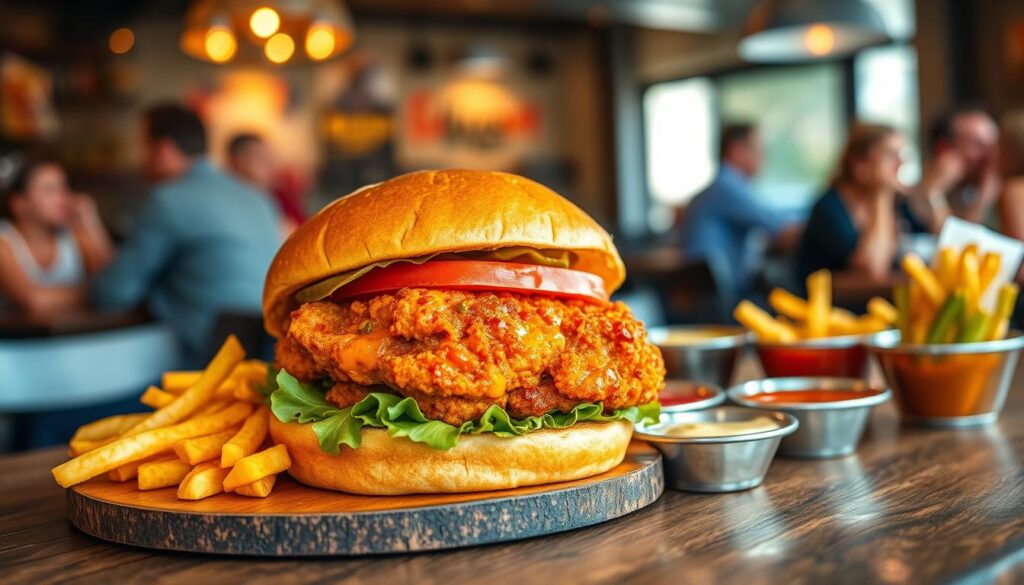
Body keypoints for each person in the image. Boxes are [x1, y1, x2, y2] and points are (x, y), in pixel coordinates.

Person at [90, 104, 283, 365]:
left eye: (144, 148)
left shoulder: (168, 201)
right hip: (265, 360)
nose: (141, 159)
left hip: (199, 366)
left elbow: (112, 294)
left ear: (163, 149)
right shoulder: (258, 197)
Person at [679, 123, 800, 299]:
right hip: (722, 301)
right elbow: (780, 226)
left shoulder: (722, 186)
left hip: (716, 297)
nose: (763, 157)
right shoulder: (727, 187)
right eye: (758, 150)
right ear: (736, 150)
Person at [798, 123, 928, 284]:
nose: (900, 163)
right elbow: (872, 270)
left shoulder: (899, 204)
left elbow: (941, 246)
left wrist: (932, 194)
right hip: (833, 306)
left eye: (902, 154)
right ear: (860, 166)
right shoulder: (829, 208)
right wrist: (881, 195)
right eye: (890, 155)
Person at [0, 158, 112, 316]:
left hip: (68, 335)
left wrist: (92, 224)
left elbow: (114, 283)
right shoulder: (4, 242)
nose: (64, 198)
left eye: (65, 188)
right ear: (19, 204)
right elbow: (33, 300)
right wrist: (94, 292)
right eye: (49, 190)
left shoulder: (75, 234)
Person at [915, 105, 1000, 231]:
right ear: (944, 149)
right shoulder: (909, 204)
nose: (991, 154)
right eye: (978, 145)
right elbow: (955, 244)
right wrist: (933, 192)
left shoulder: (1007, 190)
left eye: (994, 143)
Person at [226, 133, 304, 236]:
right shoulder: (226, 202)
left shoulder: (281, 198)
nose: (269, 163)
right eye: (260, 158)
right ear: (235, 162)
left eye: (269, 157)